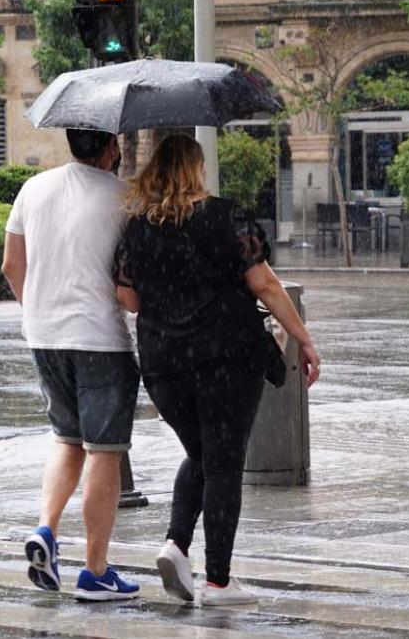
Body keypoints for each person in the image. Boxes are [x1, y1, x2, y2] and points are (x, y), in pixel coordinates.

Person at [115, 134, 320, 607]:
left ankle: (176, 544)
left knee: (202, 453)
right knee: (224, 463)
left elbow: (129, 299)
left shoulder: (137, 228)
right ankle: (219, 582)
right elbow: (265, 285)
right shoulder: (227, 217)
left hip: (164, 365)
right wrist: (303, 338)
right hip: (227, 358)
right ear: (197, 168)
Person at [1, 128, 142, 601]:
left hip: (44, 336)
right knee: (104, 450)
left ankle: (46, 528)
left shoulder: (33, 188)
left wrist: (37, 310)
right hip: (100, 339)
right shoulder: (125, 198)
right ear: (110, 147)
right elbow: (130, 283)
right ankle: (96, 571)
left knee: (67, 440)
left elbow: (11, 264)